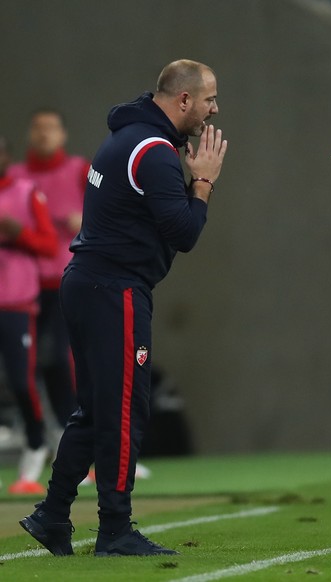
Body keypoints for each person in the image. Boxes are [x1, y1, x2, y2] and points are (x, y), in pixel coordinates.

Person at [19, 59, 227, 557]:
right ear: (183, 101)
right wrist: (203, 182)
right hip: (114, 290)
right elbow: (184, 233)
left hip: (88, 283)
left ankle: (52, 515)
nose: (214, 109)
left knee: (95, 410)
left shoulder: (126, 136)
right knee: (124, 410)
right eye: (209, 99)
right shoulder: (153, 151)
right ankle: (115, 528)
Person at [9, 109, 89, 453]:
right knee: (21, 367)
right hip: (22, 288)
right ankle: (39, 436)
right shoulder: (15, 177)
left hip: (65, 281)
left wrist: (85, 220)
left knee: (63, 359)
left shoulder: (80, 171)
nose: (44, 134)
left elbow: (117, 208)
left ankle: (78, 436)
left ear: (63, 135)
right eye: (38, 128)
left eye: (51, 128)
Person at [0, 136, 58, 493]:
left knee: (22, 380)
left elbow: (50, 245)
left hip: (16, 303)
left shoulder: (25, 192)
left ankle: (37, 443)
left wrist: (18, 233)